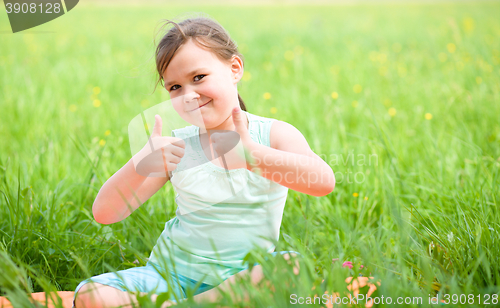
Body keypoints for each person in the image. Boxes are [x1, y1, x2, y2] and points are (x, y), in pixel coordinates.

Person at [73, 14, 335, 308]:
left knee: (291, 268)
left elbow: (323, 182)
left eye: (199, 78)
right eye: (175, 87)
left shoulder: (272, 135)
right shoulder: (178, 146)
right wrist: (140, 163)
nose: (189, 95)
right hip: (168, 278)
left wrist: (253, 157)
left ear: (234, 68)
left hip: (243, 280)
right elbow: (106, 213)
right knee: (89, 296)